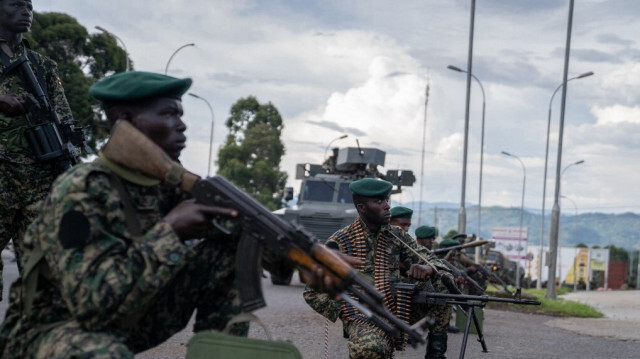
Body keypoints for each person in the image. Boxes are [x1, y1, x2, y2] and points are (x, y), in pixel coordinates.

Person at [0, 71, 339, 358]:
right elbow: (92, 306)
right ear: (126, 124)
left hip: (125, 320)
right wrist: (171, 230)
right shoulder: (82, 189)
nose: (182, 126)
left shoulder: (168, 181)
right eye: (168, 114)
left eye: (180, 114)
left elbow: (241, 232)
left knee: (228, 248)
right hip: (47, 332)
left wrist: (303, 261)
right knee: (102, 351)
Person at [303, 178, 457, 359]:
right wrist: (346, 307)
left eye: (387, 201)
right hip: (363, 315)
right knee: (370, 349)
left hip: (398, 307)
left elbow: (434, 261)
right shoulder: (341, 241)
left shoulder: (396, 235)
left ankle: (435, 355)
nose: (387, 206)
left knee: (443, 284)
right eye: (379, 202)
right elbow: (312, 292)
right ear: (362, 207)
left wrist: (428, 268)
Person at [0, 0, 79, 295]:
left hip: (38, 180)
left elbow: (63, 118)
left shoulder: (43, 65)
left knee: (44, 276)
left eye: (30, 7)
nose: (26, 12)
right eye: (16, 5)